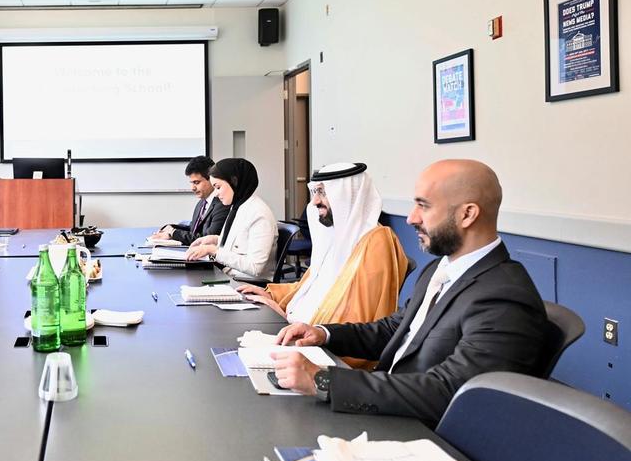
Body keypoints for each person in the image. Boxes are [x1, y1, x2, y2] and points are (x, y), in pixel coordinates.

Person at [268, 159, 553, 426]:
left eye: (423, 206)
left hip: (424, 435)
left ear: (467, 214)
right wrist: (323, 334)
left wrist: (323, 380)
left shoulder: (504, 296)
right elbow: (394, 329)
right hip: (390, 408)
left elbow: (450, 391)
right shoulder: (440, 269)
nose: (411, 218)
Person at [237, 162, 408, 368]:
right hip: (299, 334)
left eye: (323, 193)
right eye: (315, 192)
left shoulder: (376, 242)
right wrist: (270, 294)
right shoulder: (335, 236)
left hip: (331, 356)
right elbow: (310, 287)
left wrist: (288, 318)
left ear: (348, 195)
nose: (315, 201)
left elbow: (358, 318)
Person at [185, 158, 277, 279]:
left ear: (234, 182)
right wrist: (215, 240)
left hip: (245, 283)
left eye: (218, 187)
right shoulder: (238, 207)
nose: (216, 193)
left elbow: (255, 267)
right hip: (229, 275)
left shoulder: (259, 214)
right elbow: (240, 243)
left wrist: (213, 251)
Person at [149, 155, 229, 246]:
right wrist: (170, 228)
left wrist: (173, 233)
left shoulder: (222, 204)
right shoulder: (201, 203)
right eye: (192, 183)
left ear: (211, 179)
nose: (193, 188)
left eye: (196, 182)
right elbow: (194, 229)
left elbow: (206, 239)